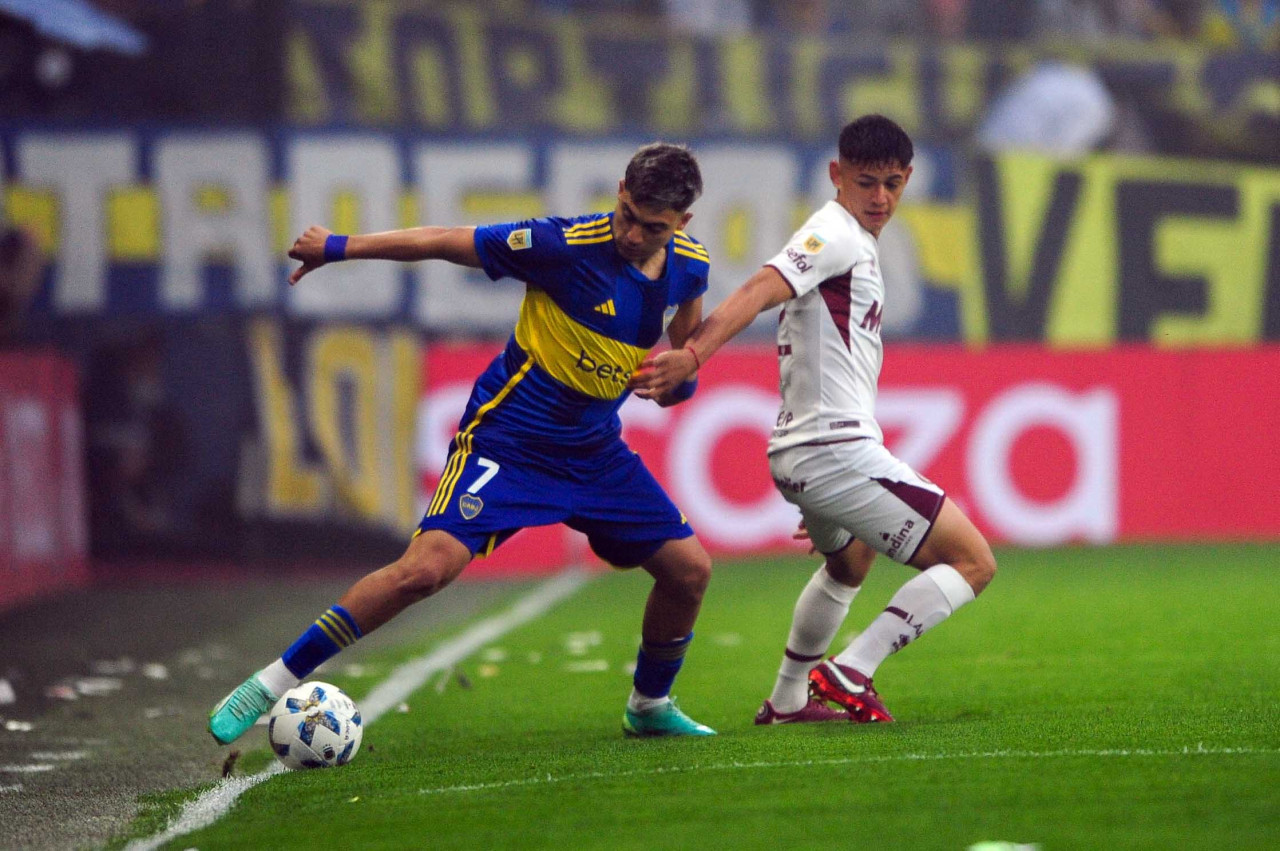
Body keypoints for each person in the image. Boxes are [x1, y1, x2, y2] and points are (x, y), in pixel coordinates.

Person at [209, 143, 717, 743]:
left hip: (594, 452)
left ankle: (649, 706)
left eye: (652, 227)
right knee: (423, 573)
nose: (632, 233)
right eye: (628, 213)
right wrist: (339, 247)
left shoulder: (689, 266)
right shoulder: (562, 246)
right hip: (508, 443)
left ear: (681, 223)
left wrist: (674, 382)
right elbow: (446, 239)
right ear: (620, 191)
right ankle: (271, 681)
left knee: (689, 571)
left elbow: (684, 362)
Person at [630, 115, 997, 725]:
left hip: (804, 453)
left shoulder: (852, 238)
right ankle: (850, 671)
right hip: (833, 450)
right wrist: (691, 354)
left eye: (892, 184)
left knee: (850, 562)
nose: (879, 198)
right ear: (836, 175)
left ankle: (789, 699)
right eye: (865, 182)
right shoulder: (835, 234)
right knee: (972, 562)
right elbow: (757, 289)